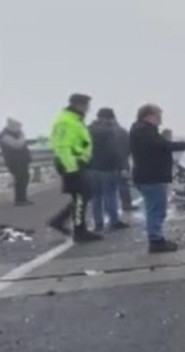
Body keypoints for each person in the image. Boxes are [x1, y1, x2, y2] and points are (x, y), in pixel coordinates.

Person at [130, 104, 185, 253]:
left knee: (156, 208)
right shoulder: (144, 132)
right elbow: (161, 146)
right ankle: (156, 240)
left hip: (149, 176)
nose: (160, 120)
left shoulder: (141, 130)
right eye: (158, 116)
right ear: (149, 116)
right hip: (151, 176)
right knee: (156, 209)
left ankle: (157, 238)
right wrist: (183, 145)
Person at [47, 93, 102, 242]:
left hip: (78, 163)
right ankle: (79, 231)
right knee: (81, 196)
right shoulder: (66, 121)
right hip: (72, 164)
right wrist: (71, 168)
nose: (88, 108)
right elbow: (63, 146)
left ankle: (60, 221)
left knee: (84, 196)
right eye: (86, 105)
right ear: (79, 105)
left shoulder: (76, 120)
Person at [87, 108, 129, 232]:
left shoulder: (88, 129)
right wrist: (123, 166)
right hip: (108, 167)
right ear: (110, 118)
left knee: (96, 197)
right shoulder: (110, 131)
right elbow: (116, 150)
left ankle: (98, 223)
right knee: (110, 194)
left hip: (91, 168)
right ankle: (113, 221)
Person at [0, 118, 33, 206]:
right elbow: (17, 145)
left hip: (21, 161)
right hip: (14, 161)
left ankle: (23, 198)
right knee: (20, 179)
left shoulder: (15, 134)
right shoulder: (4, 135)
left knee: (24, 178)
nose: (20, 129)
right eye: (18, 127)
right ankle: (19, 200)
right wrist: (22, 136)